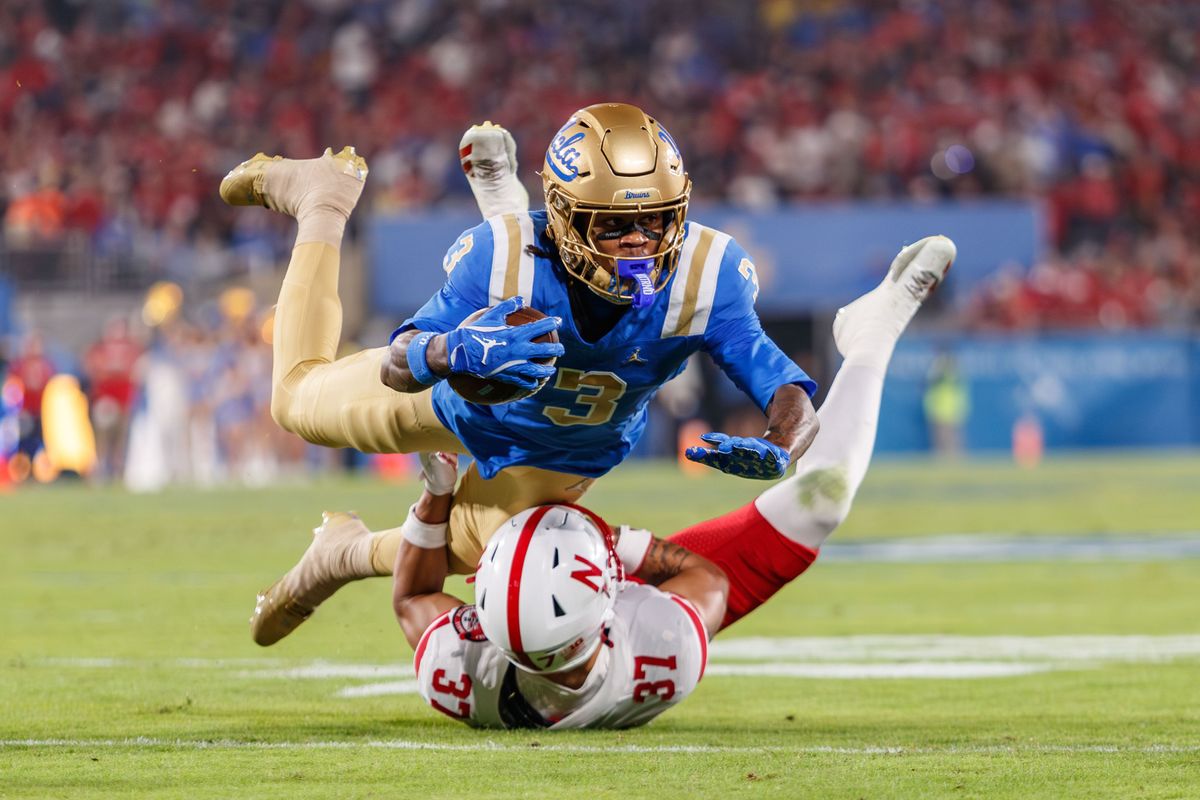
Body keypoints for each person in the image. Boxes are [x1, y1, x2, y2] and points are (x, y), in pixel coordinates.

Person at [221, 105, 820, 647]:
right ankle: (322, 201)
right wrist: (450, 351)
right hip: (456, 403)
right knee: (295, 403)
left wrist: (779, 444)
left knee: (494, 556)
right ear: (559, 216)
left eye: (657, 221)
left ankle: (341, 555)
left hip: (560, 451)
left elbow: (786, 389)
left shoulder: (707, 275)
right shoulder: (500, 254)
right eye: (611, 226)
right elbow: (399, 362)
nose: (638, 243)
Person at [393, 234, 957, 728]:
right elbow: (704, 578)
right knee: (821, 502)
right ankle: (872, 336)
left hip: (556, 614)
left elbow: (412, 595)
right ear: (611, 603)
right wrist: (620, 547)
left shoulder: (461, 667)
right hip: (649, 618)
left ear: (485, 623)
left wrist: (436, 497)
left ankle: (508, 236)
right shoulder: (659, 651)